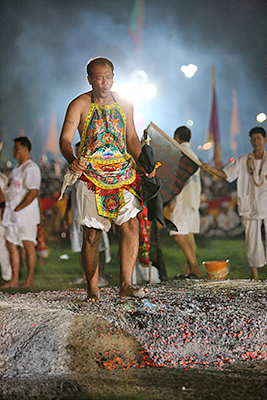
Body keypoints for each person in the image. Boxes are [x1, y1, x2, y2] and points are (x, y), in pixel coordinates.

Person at [59, 57, 155, 300]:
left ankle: (126, 285)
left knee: (131, 225)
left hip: (123, 173)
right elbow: (65, 140)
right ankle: (92, 290)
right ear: (90, 79)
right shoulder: (78, 104)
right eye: (99, 78)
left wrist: (145, 163)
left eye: (108, 77)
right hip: (91, 175)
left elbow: (132, 139)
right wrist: (72, 159)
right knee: (92, 234)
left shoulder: (125, 103)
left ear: (114, 77)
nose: (104, 83)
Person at [202, 126, 267, 280]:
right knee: (252, 240)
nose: (256, 141)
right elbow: (226, 174)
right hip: (249, 205)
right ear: (250, 141)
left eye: (259, 138)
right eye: (253, 138)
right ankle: (254, 274)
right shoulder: (244, 160)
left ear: (265, 140)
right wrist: (211, 169)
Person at [1, 136, 41, 288]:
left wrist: (19, 207)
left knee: (28, 244)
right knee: (11, 244)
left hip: (26, 214)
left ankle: (29, 279)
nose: (13, 151)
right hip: (12, 214)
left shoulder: (31, 168)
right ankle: (14, 280)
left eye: (16, 149)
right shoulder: (17, 168)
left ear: (25, 150)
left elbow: (33, 191)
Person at [169, 126, 202, 278]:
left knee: (177, 234)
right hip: (193, 198)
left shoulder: (181, 153)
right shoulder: (193, 154)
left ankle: (194, 268)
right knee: (188, 235)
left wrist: (173, 199)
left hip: (182, 198)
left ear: (177, 137)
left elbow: (178, 179)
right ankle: (189, 271)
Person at [0, 169, 12, 282]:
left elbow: (2, 198)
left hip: (1, 214)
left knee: (2, 246)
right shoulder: (3, 177)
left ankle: (7, 275)